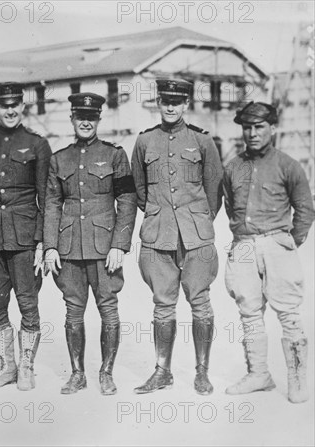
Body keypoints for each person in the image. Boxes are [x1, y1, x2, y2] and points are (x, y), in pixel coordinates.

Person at [130, 78, 223, 395]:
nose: (170, 106)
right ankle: (162, 371)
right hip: (158, 237)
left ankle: (201, 372)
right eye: (165, 100)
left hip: (196, 238)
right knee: (162, 306)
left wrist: (199, 220)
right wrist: (160, 217)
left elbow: (214, 190)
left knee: (201, 304)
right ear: (158, 103)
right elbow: (140, 191)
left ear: (186, 104)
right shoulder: (145, 142)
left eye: (177, 101)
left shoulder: (201, 141)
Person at [43, 93, 137, 395]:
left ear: (98, 119)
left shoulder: (115, 155)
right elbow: (52, 203)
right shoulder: (59, 159)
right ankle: (77, 373)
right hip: (68, 247)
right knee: (73, 311)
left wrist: (119, 245)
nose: (86, 121)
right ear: (71, 118)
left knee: (108, 309)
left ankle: (106, 372)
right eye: (80, 116)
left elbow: (127, 199)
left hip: (104, 245)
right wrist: (50, 246)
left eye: (92, 117)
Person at [223, 101, 315, 403]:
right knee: (249, 312)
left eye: (259, 127)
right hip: (244, 246)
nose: (252, 133)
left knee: (289, 314)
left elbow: (304, 209)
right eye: (247, 127)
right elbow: (228, 206)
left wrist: (288, 243)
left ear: (272, 128)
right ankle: (259, 374)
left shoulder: (288, 165)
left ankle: (298, 379)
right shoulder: (233, 167)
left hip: (277, 242)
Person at [0, 82, 52, 391]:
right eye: (5, 105)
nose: (11, 109)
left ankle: (27, 366)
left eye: (16, 103)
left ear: (23, 106)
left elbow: (47, 197)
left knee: (28, 304)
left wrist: (44, 241)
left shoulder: (37, 144)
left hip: (25, 237)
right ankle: (7, 366)